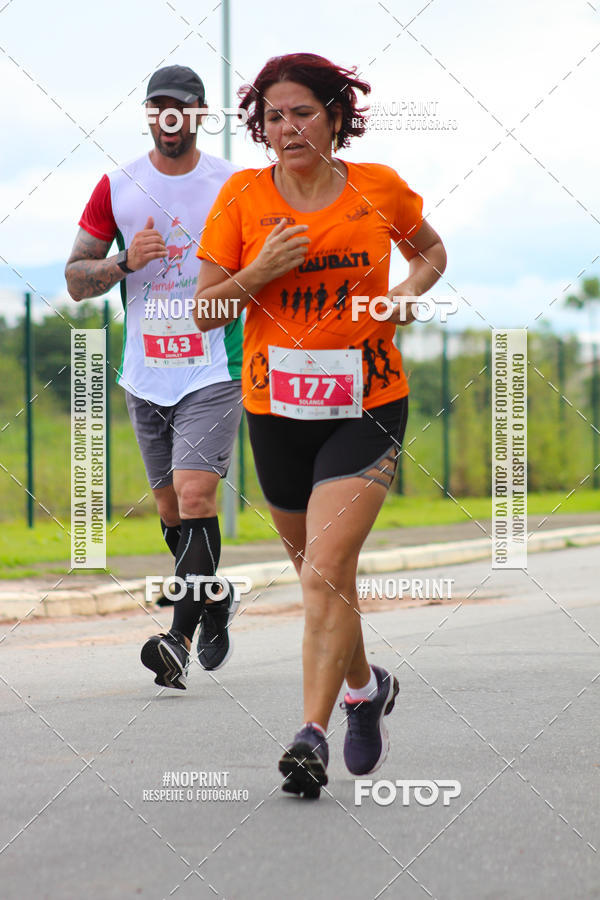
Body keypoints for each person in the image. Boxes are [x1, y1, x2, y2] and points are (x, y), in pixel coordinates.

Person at [193, 53, 447, 796]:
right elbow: (208, 308)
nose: (288, 126)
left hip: (367, 405)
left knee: (326, 571)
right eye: (273, 115)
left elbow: (431, 251)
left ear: (336, 116)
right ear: (260, 127)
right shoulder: (243, 197)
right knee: (321, 580)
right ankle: (367, 688)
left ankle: (310, 733)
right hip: (276, 412)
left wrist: (405, 292)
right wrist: (259, 269)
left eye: (302, 111)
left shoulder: (378, 188)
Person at [65, 65, 244, 690]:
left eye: (183, 107)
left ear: (199, 114)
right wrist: (123, 261)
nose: (170, 118)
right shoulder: (117, 187)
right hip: (145, 373)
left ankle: (177, 640)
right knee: (171, 515)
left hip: (213, 367)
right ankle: (215, 597)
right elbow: (75, 280)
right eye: (158, 107)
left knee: (197, 497)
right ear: (149, 115)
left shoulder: (233, 183)